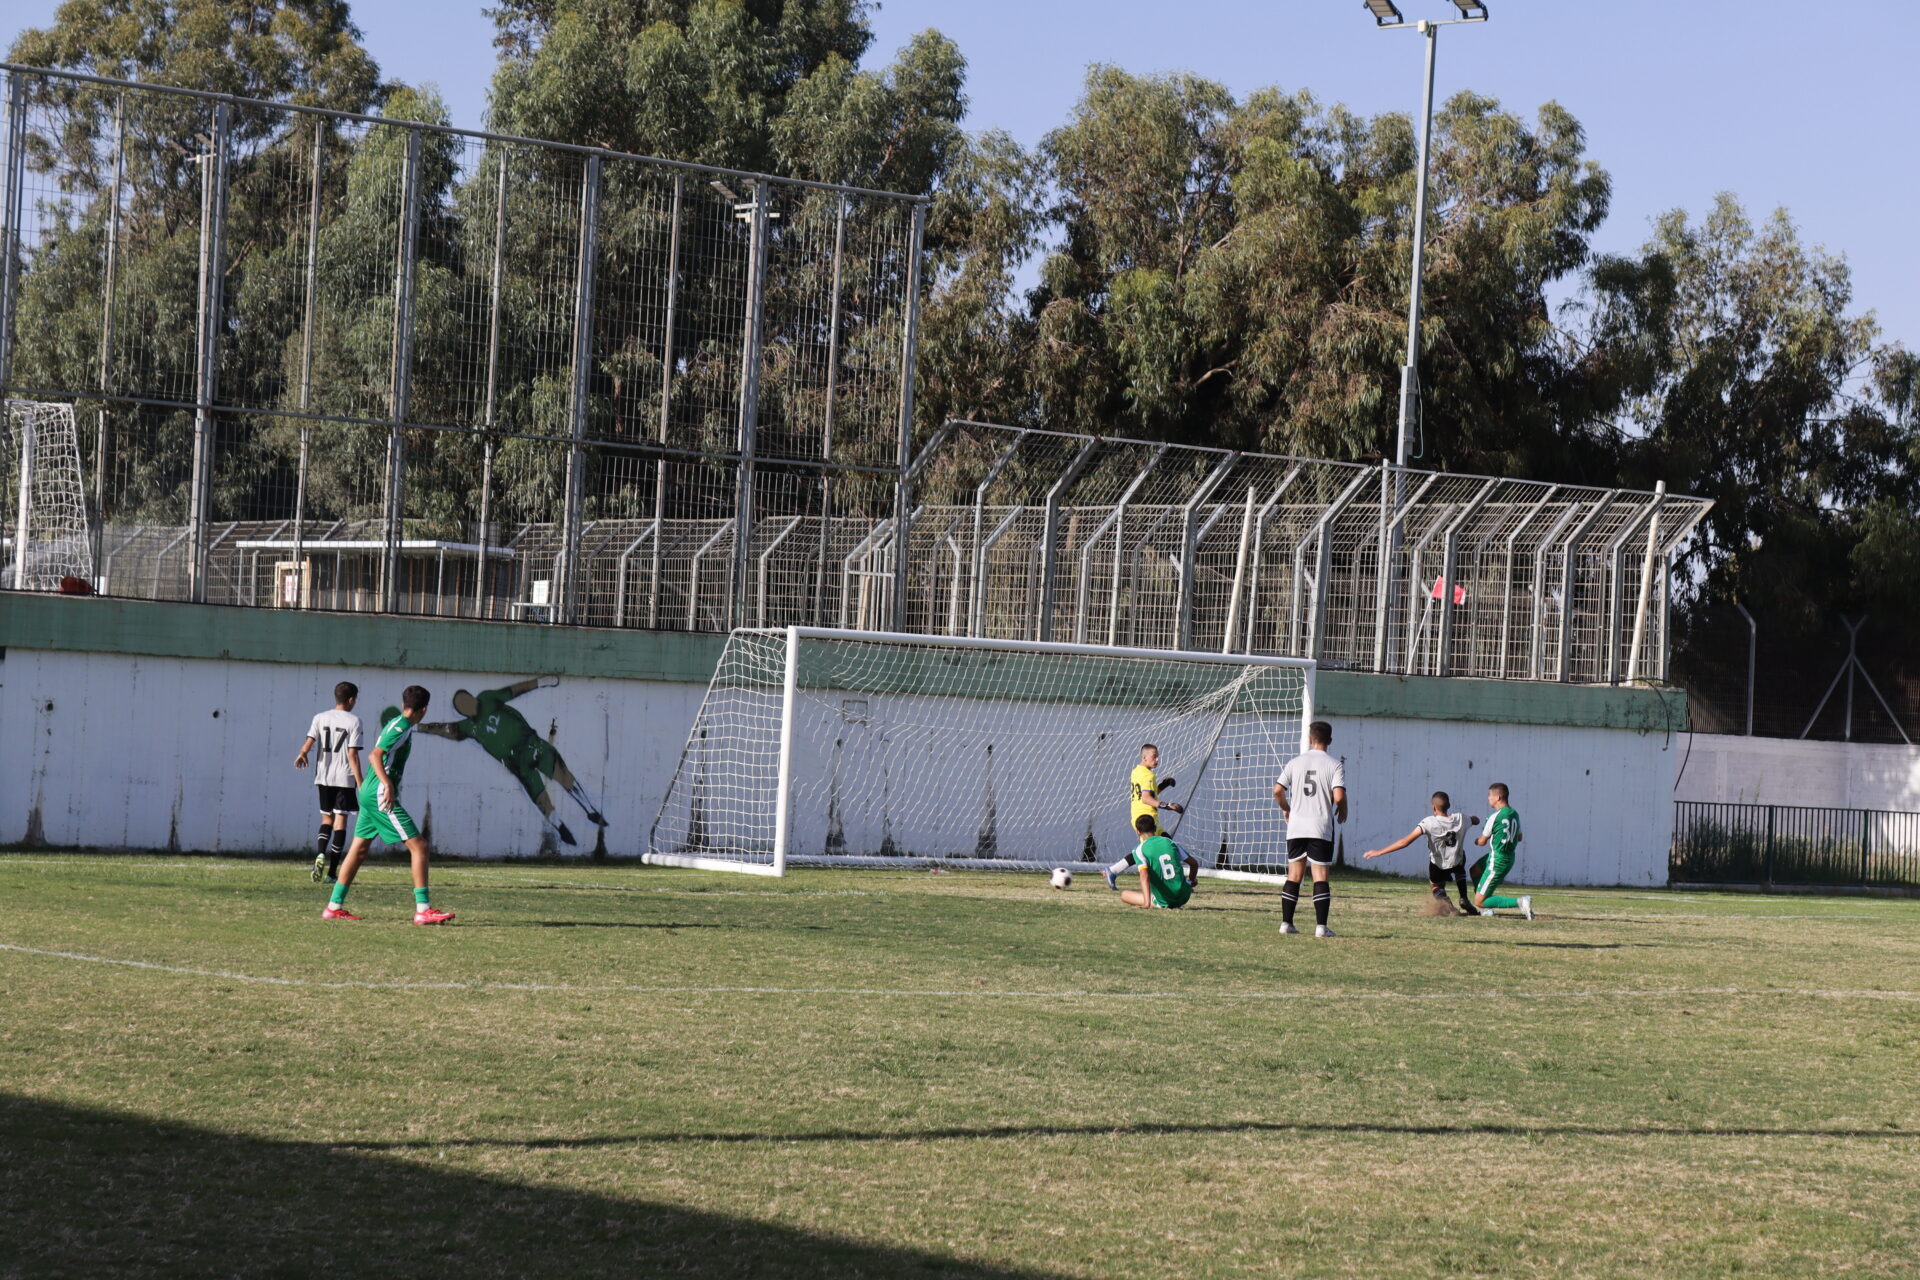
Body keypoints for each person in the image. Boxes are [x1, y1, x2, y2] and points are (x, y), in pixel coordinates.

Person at [418, 678, 605, 846]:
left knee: (563, 775)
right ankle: (561, 828)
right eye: (461, 707)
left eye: (466, 701)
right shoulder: (469, 726)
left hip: (533, 745)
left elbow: (514, 690)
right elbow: (445, 729)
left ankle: (590, 810)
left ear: (472, 697)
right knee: (540, 797)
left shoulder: (487, 699)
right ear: (462, 713)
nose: (466, 707)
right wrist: (421, 727)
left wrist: (541, 682)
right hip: (518, 765)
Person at [322, 685, 453, 925]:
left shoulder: (397, 723)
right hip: (379, 795)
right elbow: (375, 754)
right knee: (420, 846)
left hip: (370, 793)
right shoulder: (401, 727)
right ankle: (423, 910)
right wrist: (387, 784)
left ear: (404, 704)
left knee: (358, 850)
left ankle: (333, 907)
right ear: (424, 709)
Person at [1273, 720, 1347, 938]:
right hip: (1320, 826)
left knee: (1294, 875)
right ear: (1330, 740)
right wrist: (1343, 807)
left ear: (1309, 738)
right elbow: (1339, 796)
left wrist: (1287, 808)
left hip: (1296, 827)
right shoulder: (1334, 765)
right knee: (1320, 876)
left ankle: (1286, 923)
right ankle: (1321, 927)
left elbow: (1277, 790)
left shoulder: (1295, 762)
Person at [1362, 790, 1481, 915]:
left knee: (1436, 886)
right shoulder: (1461, 818)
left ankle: (1448, 905)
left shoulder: (1429, 822)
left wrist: (1379, 852)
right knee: (1461, 861)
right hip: (1456, 861)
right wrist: (1470, 818)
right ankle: (1464, 898)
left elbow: (1405, 842)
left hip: (1438, 864)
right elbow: (1476, 820)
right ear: (1449, 806)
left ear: (1433, 807)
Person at [294, 681, 363, 883]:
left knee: (326, 820)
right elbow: (352, 754)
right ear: (351, 699)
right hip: (344, 777)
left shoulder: (320, 717)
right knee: (340, 822)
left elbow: (309, 741)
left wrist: (302, 754)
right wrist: (360, 782)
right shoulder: (354, 721)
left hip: (323, 776)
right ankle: (332, 873)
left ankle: (320, 853)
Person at [1103, 743, 1183, 891]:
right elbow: (1146, 798)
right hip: (1145, 818)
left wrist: (1164, 784)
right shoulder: (1148, 775)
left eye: (1158, 756)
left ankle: (1113, 871)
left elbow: (1149, 793)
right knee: (1151, 850)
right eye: (1154, 756)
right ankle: (1170, 883)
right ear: (1144, 757)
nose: (1157, 759)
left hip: (1142, 816)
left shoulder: (1137, 771)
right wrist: (1167, 805)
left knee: (1167, 844)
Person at [1468, 782, 1533, 919]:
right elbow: (1520, 837)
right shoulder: (1514, 814)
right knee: (1474, 870)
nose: (1488, 798)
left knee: (1478, 901)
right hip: (1508, 857)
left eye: (1489, 795)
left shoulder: (1494, 817)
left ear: (1497, 797)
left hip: (1497, 860)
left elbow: (1482, 842)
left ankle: (1520, 901)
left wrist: (1476, 840)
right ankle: (1485, 907)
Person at [1117, 813, 1199, 910]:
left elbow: (1144, 876)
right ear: (1155, 828)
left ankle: (1152, 901)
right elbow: (1194, 864)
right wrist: (1191, 880)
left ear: (1138, 832)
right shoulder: (1169, 842)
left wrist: (1146, 904)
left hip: (1165, 901)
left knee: (1124, 895)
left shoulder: (1139, 849)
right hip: (1184, 896)